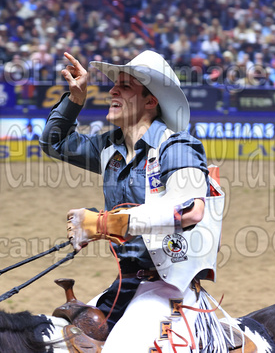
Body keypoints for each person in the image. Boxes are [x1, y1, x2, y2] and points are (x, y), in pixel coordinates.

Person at [40, 51, 228, 352]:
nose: (112, 90)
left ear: (151, 101)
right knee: (63, 344)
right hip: (126, 285)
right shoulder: (109, 147)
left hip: (171, 288)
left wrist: (105, 223)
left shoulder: (177, 146)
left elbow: (191, 209)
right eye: (115, 85)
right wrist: (75, 99)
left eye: (125, 86)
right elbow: (54, 143)